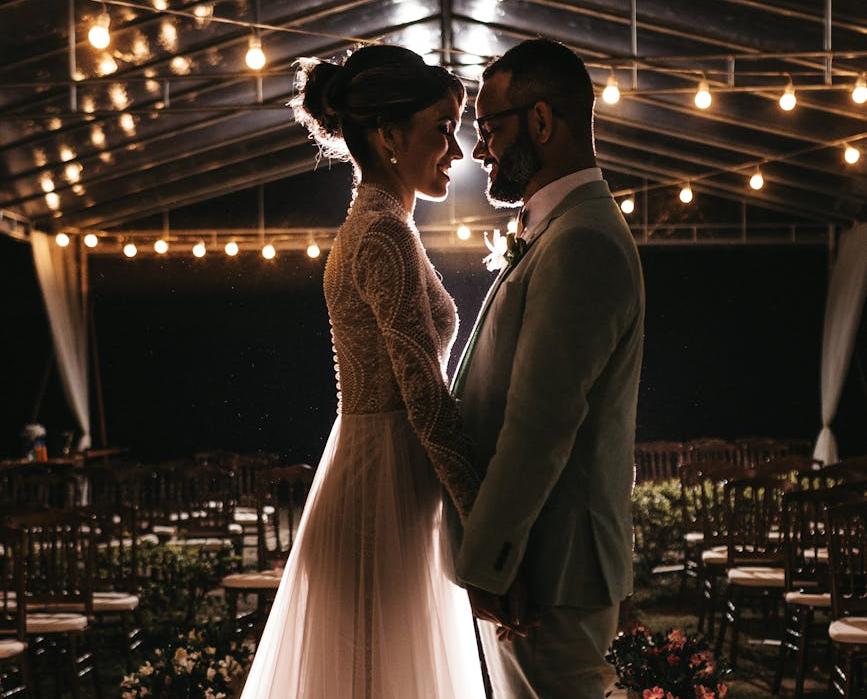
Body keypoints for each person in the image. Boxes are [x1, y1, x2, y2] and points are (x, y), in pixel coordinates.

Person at [239, 44, 485, 699]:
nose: (457, 153)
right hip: (382, 493)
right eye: (442, 130)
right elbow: (424, 399)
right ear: (386, 136)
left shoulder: (381, 225)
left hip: (385, 477)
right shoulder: (380, 233)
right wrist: (486, 520)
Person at [448, 38, 646, 699]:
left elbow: (540, 423)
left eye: (487, 128)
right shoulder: (559, 229)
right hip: (536, 563)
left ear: (539, 121)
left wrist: (492, 562)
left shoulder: (582, 240)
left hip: (549, 570)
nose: (480, 151)